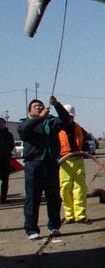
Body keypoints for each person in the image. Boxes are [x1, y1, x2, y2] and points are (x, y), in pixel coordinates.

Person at [18, 96, 70, 239]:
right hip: (34, 164)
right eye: (35, 106)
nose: (39, 108)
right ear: (29, 110)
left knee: (53, 196)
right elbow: (24, 130)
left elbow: (66, 119)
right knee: (33, 197)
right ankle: (31, 229)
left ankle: (54, 226)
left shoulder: (52, 122)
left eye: (40, 106)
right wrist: (39, 118)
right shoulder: (25, 124)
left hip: (51, 163)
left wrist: (57, 105)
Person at [57, 104, 89, 223]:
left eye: (70, 116)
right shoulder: (57, 129)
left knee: (80, 189)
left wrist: (85, 150)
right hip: (64, 162)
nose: (69, 118)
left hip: (78, 160)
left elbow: (86, 140)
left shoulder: (78, 128)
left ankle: (80, 215)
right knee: (65, 188)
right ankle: (69, 215)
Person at [0, 117, 15, 203]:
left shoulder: (9, 134)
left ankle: (3, 198)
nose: (1, 124)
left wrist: (6, 152)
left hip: (5, 159)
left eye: (2, 123)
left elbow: (11, 145)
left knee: (5, 180)